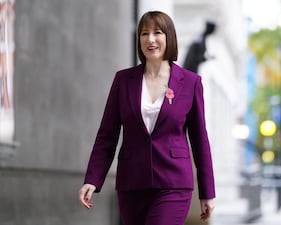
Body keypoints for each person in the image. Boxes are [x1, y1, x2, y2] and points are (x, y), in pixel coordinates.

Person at [79, 10, 215, 225]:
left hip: (174, 184)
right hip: (132, 183)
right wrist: (92, 180)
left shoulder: (190, 82)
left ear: (168, 37)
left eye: (157, 32)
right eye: (144, 34)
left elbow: (200, 140)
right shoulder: (123, 80)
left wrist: (207, 192)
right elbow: (107, 135)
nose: (150, 39)